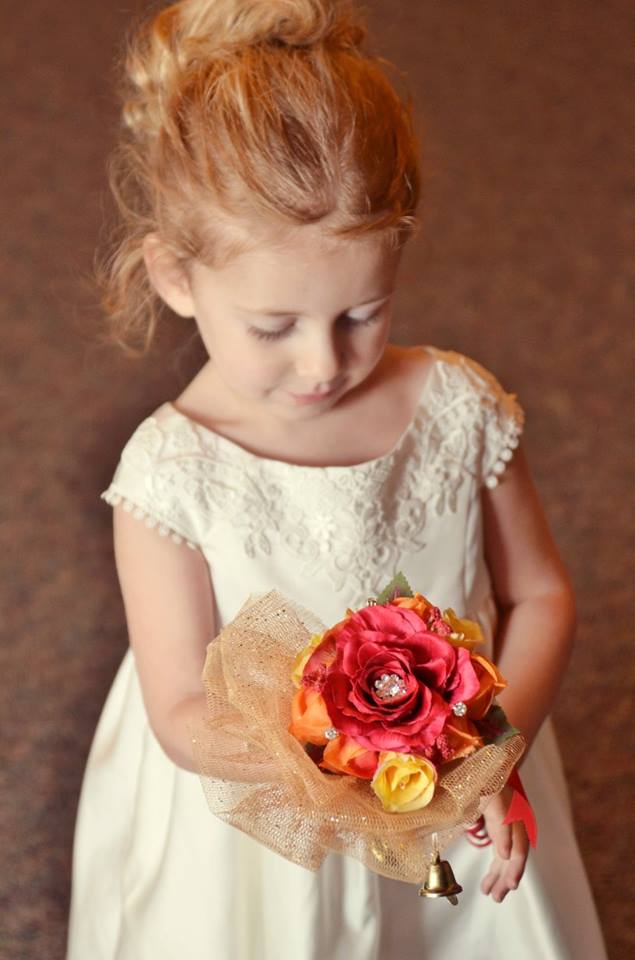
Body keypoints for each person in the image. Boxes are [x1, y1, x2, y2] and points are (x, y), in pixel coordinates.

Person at [66, 1, 608, 958]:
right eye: (272, 327)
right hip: (270, 825)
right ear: (177, 277)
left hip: (464, 774)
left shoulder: (456, 406)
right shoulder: (170, 472)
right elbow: (182, 711)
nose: (322, 362)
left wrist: (476, 760)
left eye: (364, 311)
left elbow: (541, 594)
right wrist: (350, 777)